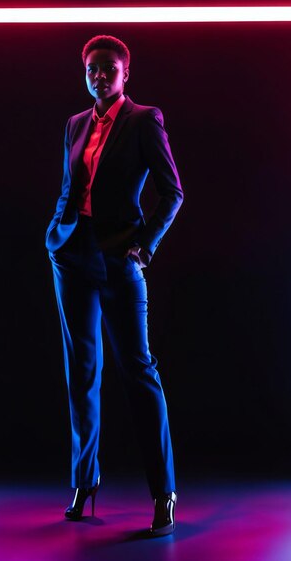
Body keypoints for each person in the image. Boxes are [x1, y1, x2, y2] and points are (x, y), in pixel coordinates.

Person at [46, 35, 183, 537]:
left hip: (118, 257)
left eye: (109, 69)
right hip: (71, 257)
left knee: (138, 371)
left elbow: (172, 191)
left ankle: (164, 492)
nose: (99, 76)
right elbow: (71, 187)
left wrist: (144, 245)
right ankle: (84, 481)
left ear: (125, 74)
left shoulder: (145, 120)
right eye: (92, 69)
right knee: (81, 371)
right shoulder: (75, 124)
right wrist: (56, 237)